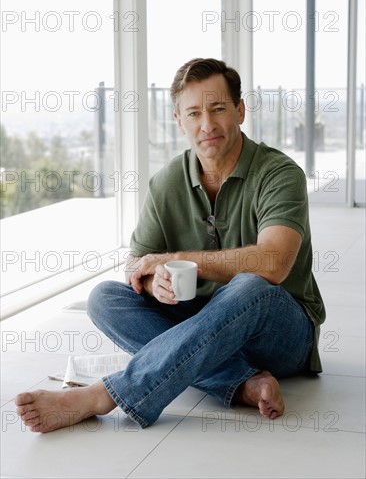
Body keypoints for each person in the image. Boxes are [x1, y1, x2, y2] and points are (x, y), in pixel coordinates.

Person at [15, 58, 326, 433]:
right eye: (194, 113)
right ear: (179, 122)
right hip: (202, 326)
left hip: (278, 334)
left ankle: (106, 395)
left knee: (252, 284)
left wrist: (174, 259)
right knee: (105, 297)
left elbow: (273, 262)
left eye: (217, 109)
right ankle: (240, 383)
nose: (207, 125)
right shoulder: (166, 183)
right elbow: (136, 265)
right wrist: (151, 282)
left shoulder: (279, 174)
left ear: (240, 110)